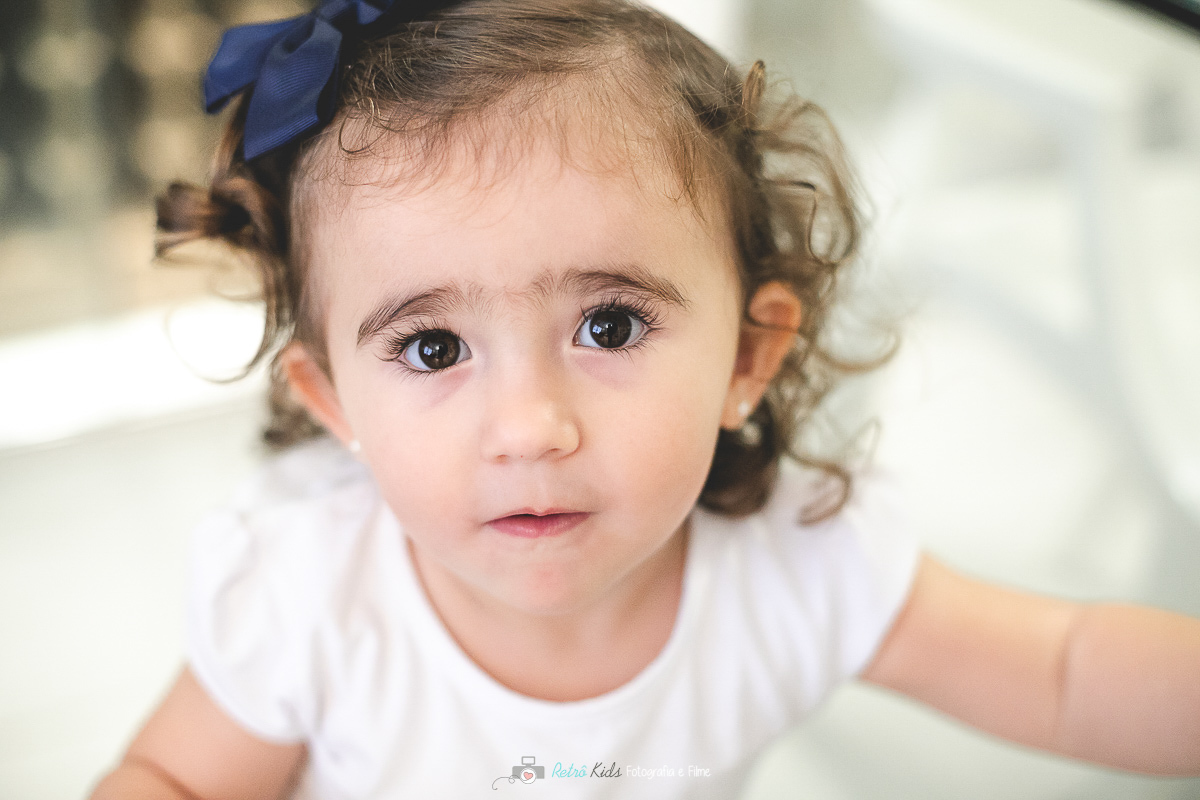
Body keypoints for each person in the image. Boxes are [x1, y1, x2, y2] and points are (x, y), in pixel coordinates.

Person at [89, 0, 1200, 797]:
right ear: (334, 401)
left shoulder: (800, 564)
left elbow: (1064, 668)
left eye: (609, 326)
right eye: (433, 347)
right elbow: (173, 776)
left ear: (748, 357)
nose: (530, 427)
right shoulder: (305, 597)